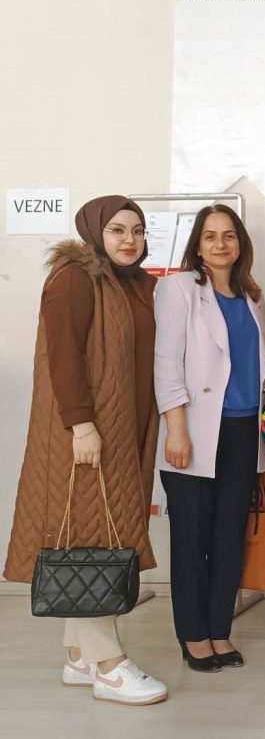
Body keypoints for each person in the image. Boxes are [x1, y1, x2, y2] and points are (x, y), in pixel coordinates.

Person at [4, 196, 167, 705]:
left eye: (137, 230)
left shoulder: (136, 284)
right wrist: (81, 425)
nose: (129, 240)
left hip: (124, 427)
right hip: (86, 430)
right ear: (95, 232)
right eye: (118, 230)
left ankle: (79, 656)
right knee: (92, 536)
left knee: (94, 536)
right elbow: (63, 355)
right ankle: (110, 666)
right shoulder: (74, 279)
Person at [154, 205, 265, 672]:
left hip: (243, 430)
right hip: (195, 430)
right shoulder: (179, 288)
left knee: (228, 537)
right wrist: (177, 430)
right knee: (191, 537)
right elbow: (166, 364)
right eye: (210, 236)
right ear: (197, 246)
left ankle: (220, 629)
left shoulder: (252, 296)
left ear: (240, 243)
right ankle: (193, 635)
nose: (220, 244)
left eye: (229, 235)